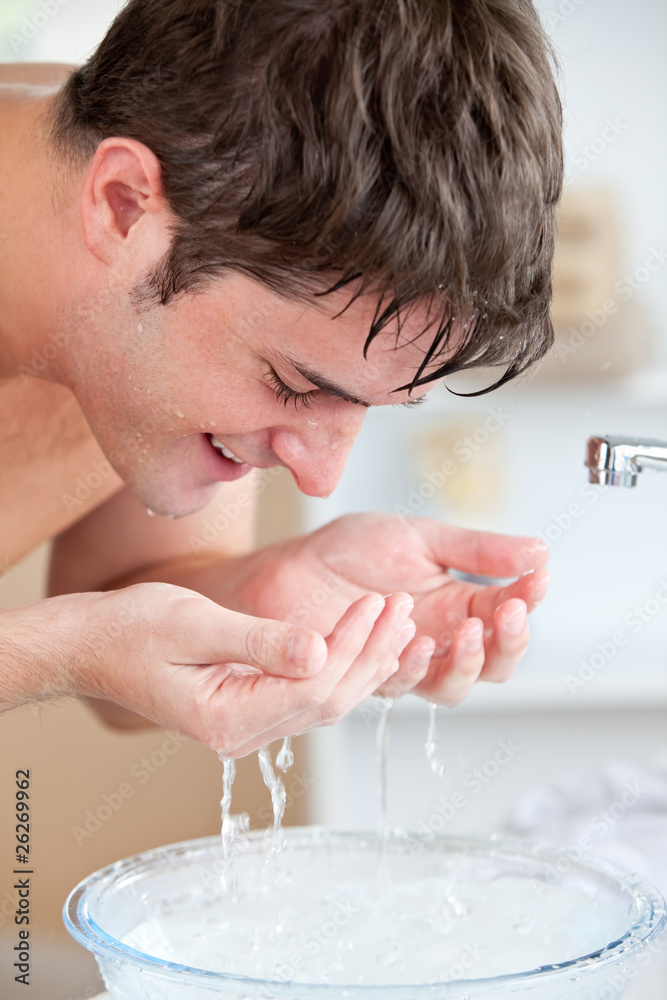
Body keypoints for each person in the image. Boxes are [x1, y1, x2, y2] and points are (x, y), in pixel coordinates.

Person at [0, 0, 560, 758]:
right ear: (122, 206)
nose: (320, 478)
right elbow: (83, 635)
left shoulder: (183, 216)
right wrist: (61, 650)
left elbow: (120, 599)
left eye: (364, 405)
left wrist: (259, 598)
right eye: (295, 385)